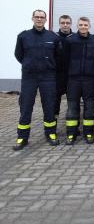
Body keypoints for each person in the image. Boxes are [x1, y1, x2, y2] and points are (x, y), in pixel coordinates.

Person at [13, 9, 61, 150]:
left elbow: (58, 56)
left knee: (49, 106)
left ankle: (51, 133)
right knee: (26, 106)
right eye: (37, 17)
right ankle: (22, 137)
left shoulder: (53, 37)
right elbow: (19, 55)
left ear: (46, 20)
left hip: (48, 76)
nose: (39, 19)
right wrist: (29, 65)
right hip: (30, 77)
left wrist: (49, 66)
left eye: (42, 17)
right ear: (32, 18)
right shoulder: (23, 36)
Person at [64, 17, 94, 145]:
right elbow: (64, 60)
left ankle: (88, 133)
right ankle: (71, 134)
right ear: (77, 25)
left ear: (89, 26)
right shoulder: (69, 40)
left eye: (85, 24)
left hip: (89, 79)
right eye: (81, 24)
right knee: (72, 107)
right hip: (73, 79)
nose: (83, 26)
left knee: (89, 107)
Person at [54, 14, 72, 122]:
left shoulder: (75, 37)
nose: (65, 25)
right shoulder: (54, 37)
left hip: (71, 76)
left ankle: (73, 127)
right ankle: (52, 127)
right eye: (63, 23)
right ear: (59, 24)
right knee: (55, 102)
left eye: (67, 23)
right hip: (57, 76)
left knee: (72, 103)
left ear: (70, 24)